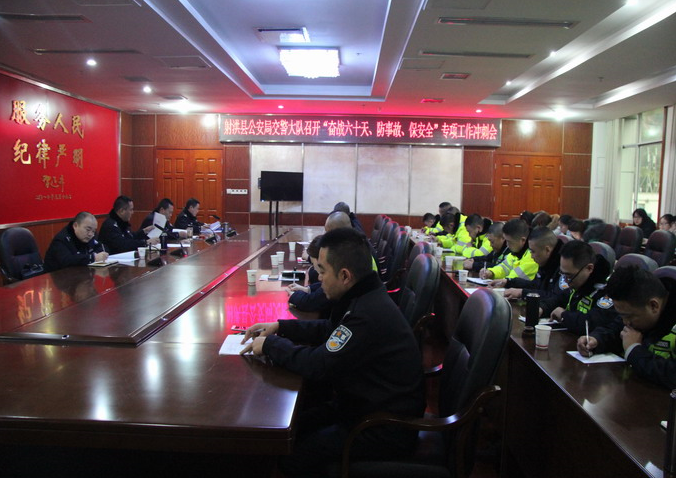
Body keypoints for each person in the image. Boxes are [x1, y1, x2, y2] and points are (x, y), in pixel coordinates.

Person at [240, 228, 425, 477]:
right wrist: (281, 327)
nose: (318, 278)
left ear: (345, 275)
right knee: (298, 424)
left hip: (382, 427)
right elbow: (330, 330)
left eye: (323, 271)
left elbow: (319, 365)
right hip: (363, 405)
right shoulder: (364, 296)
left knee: (295, 454)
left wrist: (271, 345)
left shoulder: (365, 315)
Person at [578, 266, 676, 389]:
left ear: (653, 306)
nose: (626, 322)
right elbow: (615, 329)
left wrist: (634, 350)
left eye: (628, 316)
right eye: (622, 316)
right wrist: (596, 340)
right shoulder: (636, 307)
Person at [539, 240, 615, 335]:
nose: (566, 281)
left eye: (569, 276)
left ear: (589, 268)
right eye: (562, 274)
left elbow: (591, 323)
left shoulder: (608, 291)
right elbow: (558, 299)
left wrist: (564, 315)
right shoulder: (578, 282)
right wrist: (542, 308)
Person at [495, 226, 567, 301]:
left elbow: (556, 297)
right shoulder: (546, 261)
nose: (531, 256)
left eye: (533, 251)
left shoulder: (564, 266)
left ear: (547, 250)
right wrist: (508, 282)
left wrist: (522, 293)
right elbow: (535, 285)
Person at [44, 211, 108, 272]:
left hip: (81, 274)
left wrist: (101, 255)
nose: (90, 234)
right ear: (75, 225)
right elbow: (67, 260)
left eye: (93, 231)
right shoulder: (61, 239)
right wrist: (92, 257)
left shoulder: (90, 235)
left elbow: (101, 247)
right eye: (88, 229)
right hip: (56, 276)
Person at [287, 235, 334, 316]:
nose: (319, 277)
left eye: (312, 263)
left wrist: (294, 295)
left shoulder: (333, 281)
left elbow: (312, 302)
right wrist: (307, 289)